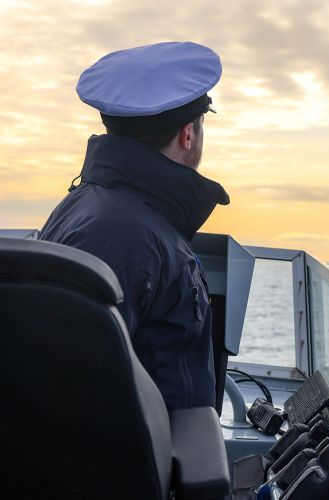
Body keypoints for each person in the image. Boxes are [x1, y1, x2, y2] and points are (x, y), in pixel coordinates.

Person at [40, 41, 229, 410]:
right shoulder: (126, 238)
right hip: (138, 461)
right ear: (188, 134)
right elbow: (71, 391)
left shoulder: (95, 205)